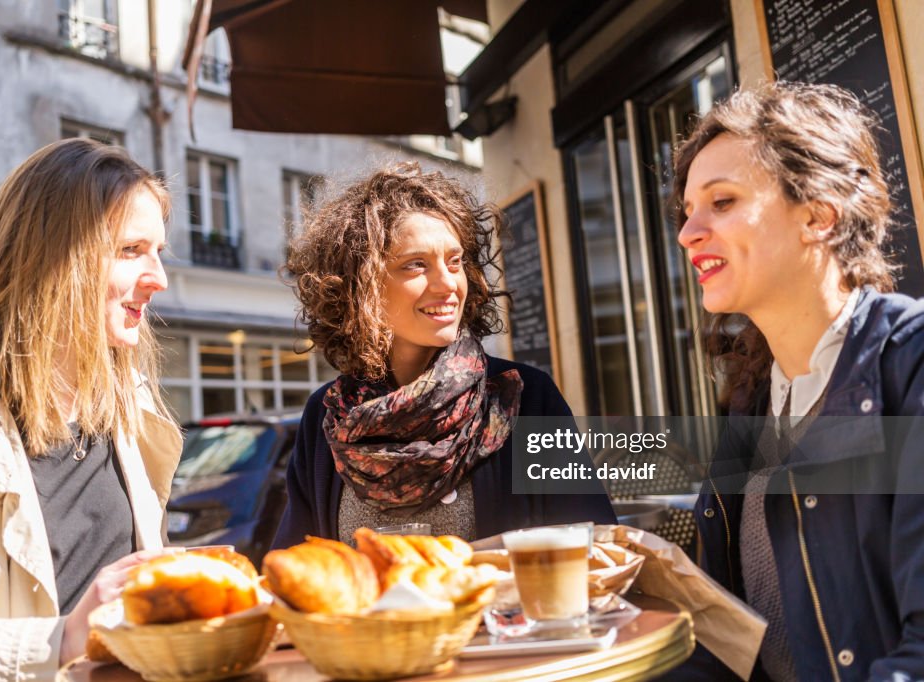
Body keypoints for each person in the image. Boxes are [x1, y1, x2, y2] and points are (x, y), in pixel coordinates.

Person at [0, 138, 183, 678]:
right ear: (51, 258)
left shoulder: (132, 406)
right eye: (129, 250)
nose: (158, 278)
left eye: (158, 252)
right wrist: (61, 639)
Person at [675, 81, 924, 680]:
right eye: (687, 213)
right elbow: (733, 642)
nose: (688, 234)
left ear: (817, 215)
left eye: (723, 201)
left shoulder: (910, 363)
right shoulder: (752, 402)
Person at [273, 162, 615, 550]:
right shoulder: (327, 417)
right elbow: (300, 566)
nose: (448, 284)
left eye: (454, 262)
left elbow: (592, 548)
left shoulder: (524, 399)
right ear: (360, 286)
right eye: (415, 264)